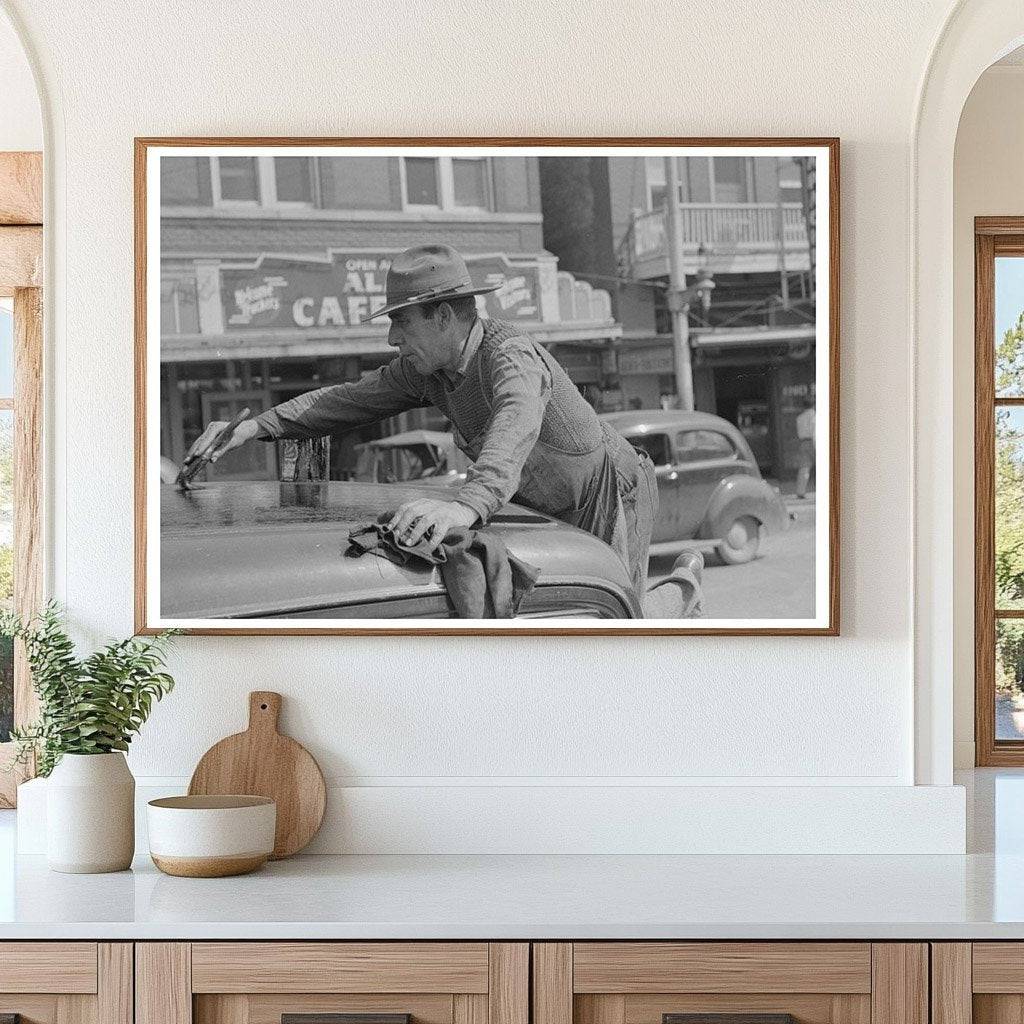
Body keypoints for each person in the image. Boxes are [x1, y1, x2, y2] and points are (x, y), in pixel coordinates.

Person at [183, 243, 660, 601]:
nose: (392, 338)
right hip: (552, 508)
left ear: (445, 316)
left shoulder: (510, 356)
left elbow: (515, 424)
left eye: (402, 323)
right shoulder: (424, 371)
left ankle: (676, 594)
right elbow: (346, 400)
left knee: (616, 625)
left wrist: (465, 505)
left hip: (614, 497)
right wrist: (254, 427)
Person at [794, 396, 816, 499]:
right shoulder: (816, 416)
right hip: (814, 441)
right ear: (814, 405)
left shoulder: (799, 418)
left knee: (804, 468)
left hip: (803, 442)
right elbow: (815, 431)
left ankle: (800, 491)